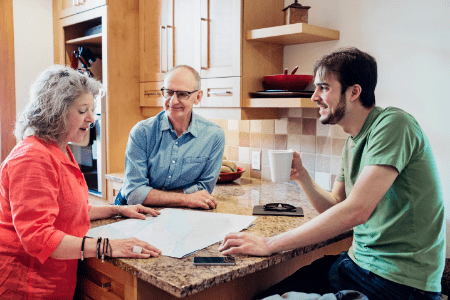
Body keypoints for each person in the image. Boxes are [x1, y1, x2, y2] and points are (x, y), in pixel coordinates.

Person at [219, 48, 445, 300]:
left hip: (398, 284)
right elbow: (337, 205)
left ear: (354, 92)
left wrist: (270, 244)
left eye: (324, 87)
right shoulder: (353, 140)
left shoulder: (394, 124)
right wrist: (302, 176)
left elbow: (356, 210)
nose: (314, 96)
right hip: (357, 266)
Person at [0, 65, 162, 299]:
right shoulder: (32, 158)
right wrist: (109, 246)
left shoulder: (60, 148)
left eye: (92, 110)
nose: (91, 118)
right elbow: (39, 238)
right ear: (55, 112)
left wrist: (117, 209)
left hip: (55, 279)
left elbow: (67, 209)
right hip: (27, 284)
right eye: (82, 110)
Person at [115, 65, 225, 210]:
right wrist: (185, 198)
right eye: (168, 92)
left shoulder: (213, 136)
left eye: (182, 94)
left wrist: (151, 195)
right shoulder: (142, 132)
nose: (173, 101)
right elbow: (134, 193)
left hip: (178, 215)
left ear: (198, 97)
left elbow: (204, 189)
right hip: (131, 211)